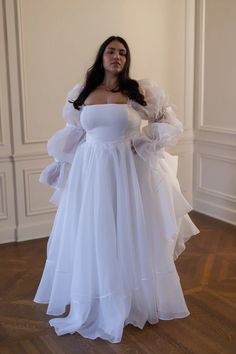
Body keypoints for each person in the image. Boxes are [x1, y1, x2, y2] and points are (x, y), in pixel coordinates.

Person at [34, 35, 199, 343]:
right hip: (92, 170)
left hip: (127, 170)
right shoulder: (82, 92)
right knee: (95, 231)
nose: (117, 56)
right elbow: (75, 134)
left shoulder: (139, 92)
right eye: (111, 51)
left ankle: (129, 298)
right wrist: (61, 167)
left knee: (128, 230)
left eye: (123, 52)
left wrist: (148, 142)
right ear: (102, 56)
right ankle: (97, 296)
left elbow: (169, 123)